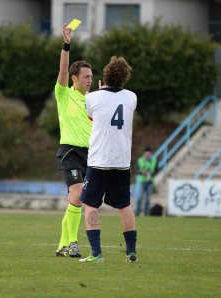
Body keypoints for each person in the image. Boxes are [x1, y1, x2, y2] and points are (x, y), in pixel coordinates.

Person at [79, 56, 137, 263]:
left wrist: (100, 92)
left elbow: (93, 118)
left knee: (91, 205)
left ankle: (96, 253)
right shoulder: (132, 97)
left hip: (99, 160)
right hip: (122, 160)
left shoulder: (92, 97)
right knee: (124, 205)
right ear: (125, 77)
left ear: (105, 74)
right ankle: (131, 252)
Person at [54, 23, 93, 257]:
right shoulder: (64, 94)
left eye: (91, 76)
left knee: (75, 199)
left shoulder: (93, 99)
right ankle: (74, 242)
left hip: (91, 154)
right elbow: (62, 71)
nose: (90, 80)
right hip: (70, 152)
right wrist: (66, 44)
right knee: (77, 195)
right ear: (74, 78)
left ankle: (62, 245)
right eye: (86, 77)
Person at [135, 146, 158, 216]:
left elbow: (157, 170)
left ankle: (146, 213)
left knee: (148, 199)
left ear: (151, 153)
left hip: (150, 181)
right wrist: (142, 172)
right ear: (144, 153)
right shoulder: (140, 160)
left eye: (149, 153)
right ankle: (137, 212)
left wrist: (151, 174)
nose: (147, 154)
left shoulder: (154, 160)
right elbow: (136, 171)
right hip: (141, 181)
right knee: (139, 197)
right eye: (146, 153)